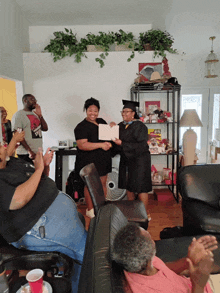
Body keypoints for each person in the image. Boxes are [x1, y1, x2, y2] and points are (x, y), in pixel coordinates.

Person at [0, 132, 87, 292]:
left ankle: (74, 280)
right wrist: (39, 168)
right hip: (34, 226)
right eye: (2, 145)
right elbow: (19, 199)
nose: (4, 146)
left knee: (86, 233)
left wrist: (44, 166)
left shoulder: (11, 163)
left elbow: (37, 183)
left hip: (50, 216)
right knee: (90, 253)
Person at [112, 223, 218, 293]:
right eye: (150, 237)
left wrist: (188, 259)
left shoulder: (142, 262)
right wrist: (198, 285)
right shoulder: (144, 290)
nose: (152, 239)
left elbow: (165, 269)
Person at [74, 97, 112, 218]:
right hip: (89, 161)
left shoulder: (101, 121)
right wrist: (101, 145)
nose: (93, 113)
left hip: (103, 159)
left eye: (95, 110)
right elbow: (82, 145)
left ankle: (101, 207)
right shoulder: (81, 126)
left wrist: (112, 128)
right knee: (90, 185)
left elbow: (108, 137)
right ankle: (91, 210)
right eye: (90, 110)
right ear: (86, 110)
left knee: (103, 183)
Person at [112, 100, 152, 213]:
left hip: (140, 160)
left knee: (141, 187)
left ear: (133, 113)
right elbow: (114, 139)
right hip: (126, 159)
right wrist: (112, 128)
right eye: (122, 112)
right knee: (128, 185)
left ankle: (144, 214)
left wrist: (122, 144)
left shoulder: (140, 126)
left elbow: (142, 146)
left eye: (126, 112)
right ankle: (132, 211)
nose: (124, 114)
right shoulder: (120, 125)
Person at [11, 94, 48, 163]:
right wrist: (29, 151)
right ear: (25, 101)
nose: (35, 102)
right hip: (25, 154)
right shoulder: (19, 115)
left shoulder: (35, 115)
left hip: (37, 152)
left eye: (35, 100)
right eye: (32, 99)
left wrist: (40, 115)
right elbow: (17, 135)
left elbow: (45, 128)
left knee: (39, 173)